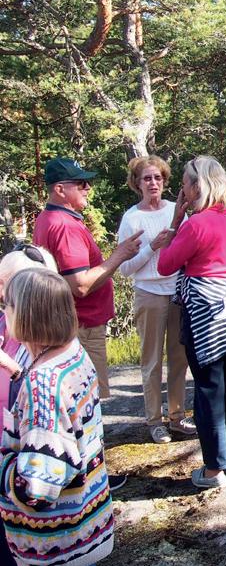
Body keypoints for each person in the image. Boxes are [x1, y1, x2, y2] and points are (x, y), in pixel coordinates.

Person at [0, 267, 115, 566]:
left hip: (56, 535)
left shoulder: (43, 386)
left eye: (8, 305)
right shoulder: (73, 354)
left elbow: (37, 488)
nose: (4, 312)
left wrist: (4, 468)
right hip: (84, 517)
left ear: (27, 316)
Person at [157, 156, 226, 488]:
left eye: (184, 185)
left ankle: (214, 470)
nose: (182, 191)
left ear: (196, 187)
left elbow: (165, 264)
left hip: (205, 319)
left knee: (208, 392)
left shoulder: (195, 225)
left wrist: (175, 222)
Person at [32, 156, 142, 404]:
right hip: (82, 326)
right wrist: (120, 255)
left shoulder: (47, 218)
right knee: (89, 399)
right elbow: (80, 285)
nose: (88, 188)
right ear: (60, 189)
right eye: (80, 183)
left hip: (69, 323)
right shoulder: (65, 227)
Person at [0, 245, 56, 566]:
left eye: (8, 288)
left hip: (21, 466)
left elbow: (41, 483)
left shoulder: (45, 364)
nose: (3, 298)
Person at [116, 155, 195, 444]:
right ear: (137, 183)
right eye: (147, 178)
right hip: (149, 293)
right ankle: (154, 421)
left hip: (177, 292)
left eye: (158, 178)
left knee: (179, 358)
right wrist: (152, 247)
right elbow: (125, 268)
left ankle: (177, 417)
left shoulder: (177, 211)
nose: (153, 183)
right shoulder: (132, 218)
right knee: (151, 361)